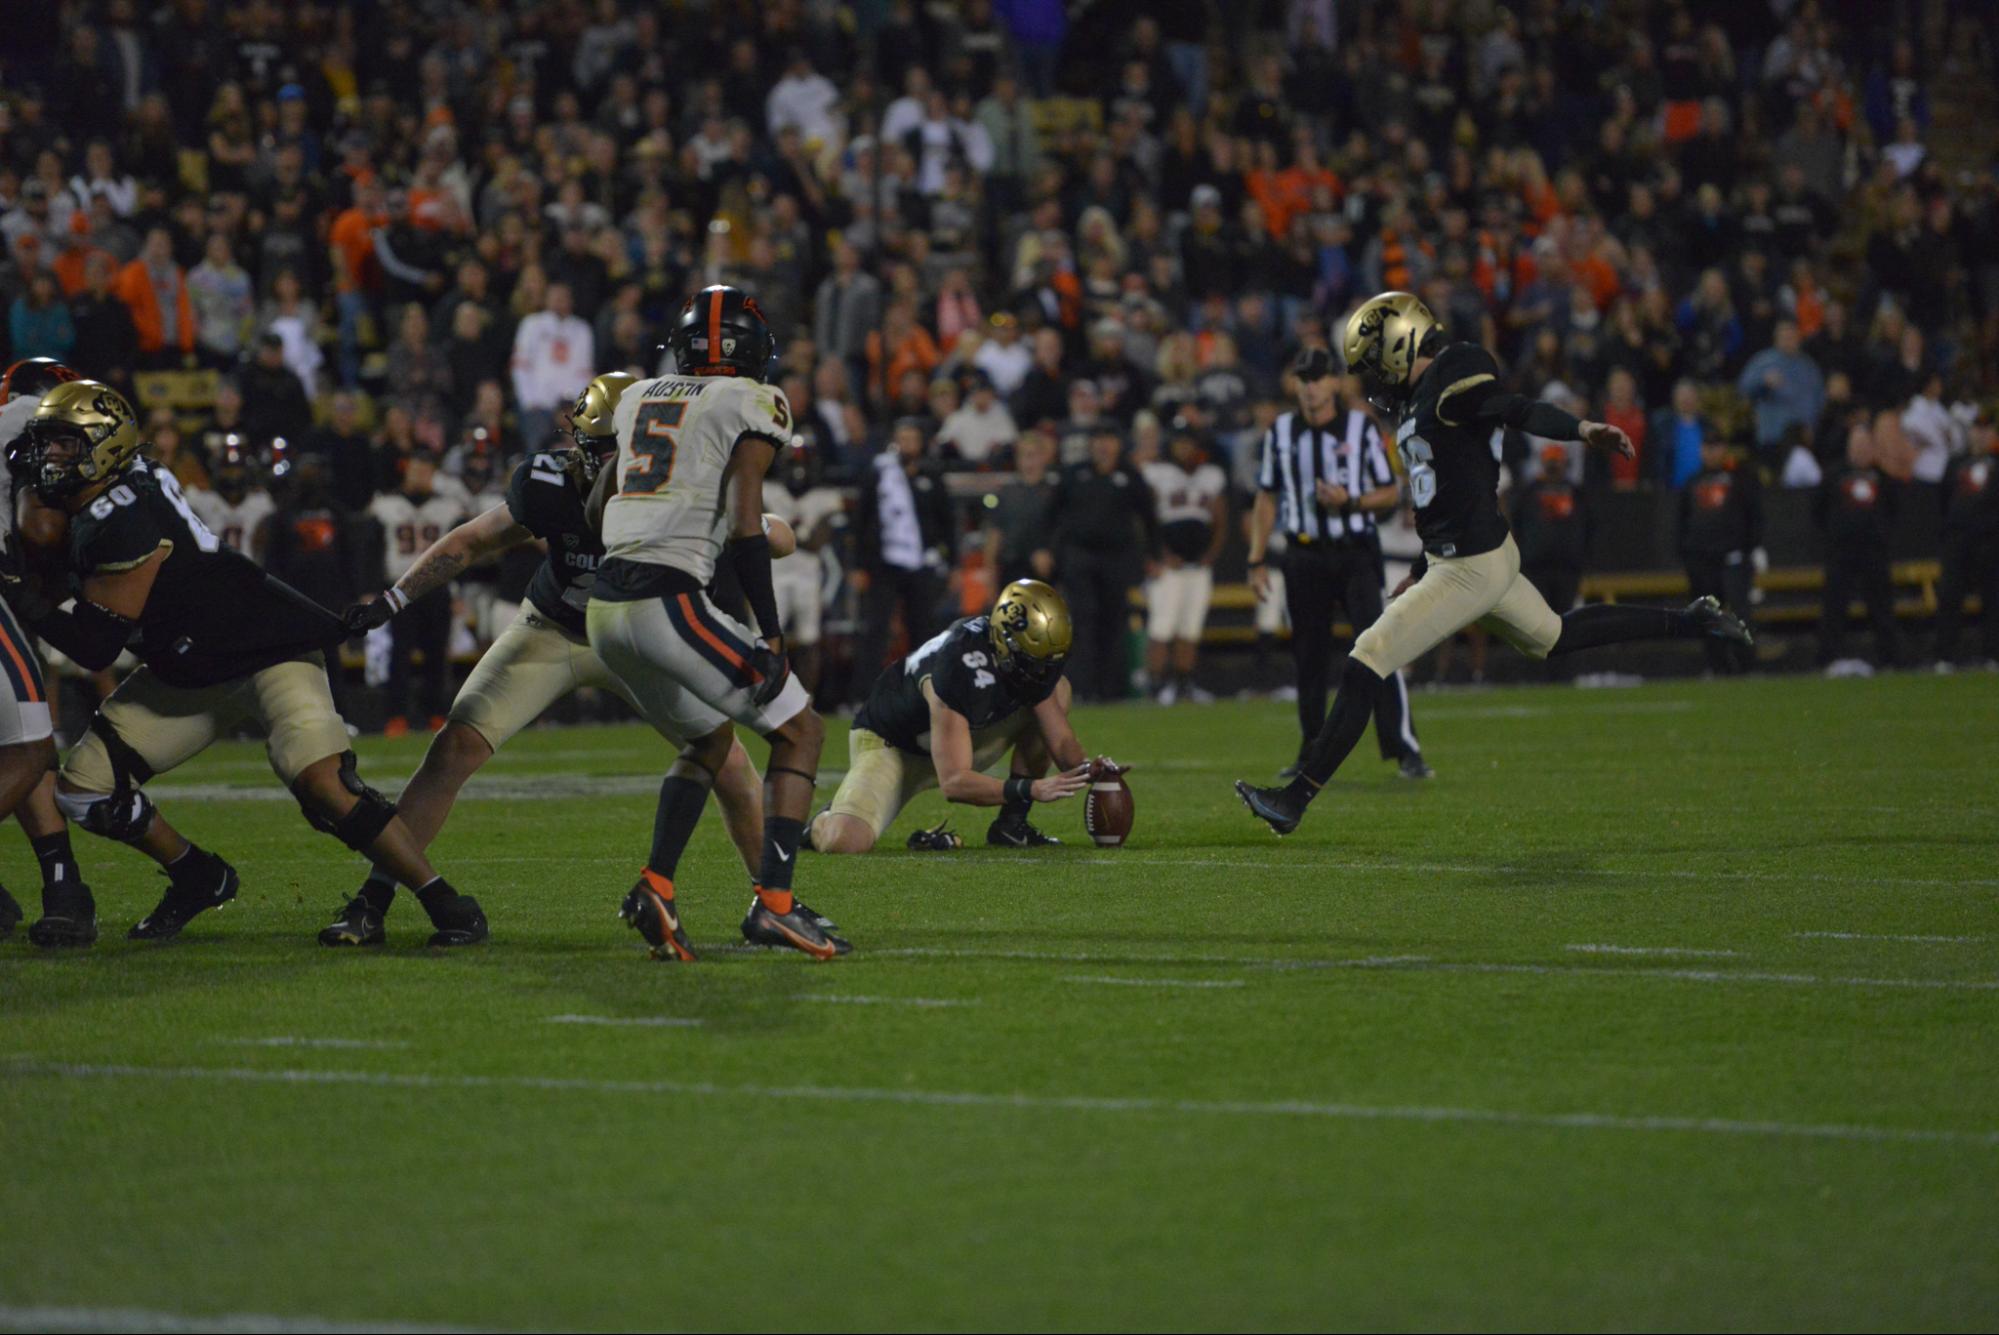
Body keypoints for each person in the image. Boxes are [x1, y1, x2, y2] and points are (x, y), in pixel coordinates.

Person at [1237, 292, 1751, 835]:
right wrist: (1419, 563)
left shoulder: (1452, 382)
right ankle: (1694, 620)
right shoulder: (1420, 399)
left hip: (1470, 568)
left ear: (1399, 346)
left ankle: (1295, 799)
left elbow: (1515, 408)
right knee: (1553, 635)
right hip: (1476, 556)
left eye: (1373, 363)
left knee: (1367, 658)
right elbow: (1448, 494)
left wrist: (1581, 430)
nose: (1371, 379)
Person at [12, 381, 485, 943]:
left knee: (322, 784)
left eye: (65, 445)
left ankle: (445, 902)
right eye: (48, 445)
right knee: (86, 788)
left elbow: (94, 647)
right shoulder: (118, 486)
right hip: (189, 666)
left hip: (263, 648)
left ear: (105, 446)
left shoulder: (123, 516)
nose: (50, 458)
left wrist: (23, 591)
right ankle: (196, 875)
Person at [329, 373, 784, 944]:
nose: (611, 467)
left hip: (639, 637)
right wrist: (394, 599)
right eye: (599, 450)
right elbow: (470, 541)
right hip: (554, 630)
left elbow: (778, 535)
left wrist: (749, 524)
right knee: (453, 749)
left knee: (732, 765)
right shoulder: (548, 482)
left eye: (622, 451)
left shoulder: (682, 489)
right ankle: (374, 898)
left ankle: (773, 902)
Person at [586, 285, 847, 961]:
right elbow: (742, 522)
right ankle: (776, 905)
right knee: (801, 730)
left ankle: (656, 883)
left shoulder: (640, 393)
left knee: (707, 739)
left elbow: (595, 508)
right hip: (663, 597)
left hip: (603, 608)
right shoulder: (751, 399)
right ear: (751, 350)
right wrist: (770, 633)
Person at [810, 578, 1092, 854]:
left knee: (1059, 690)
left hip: (956, 737)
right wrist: (1031, 788)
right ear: (1006, 644)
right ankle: (821, 822)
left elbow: (1063, 746)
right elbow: (955, 782)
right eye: (1035, 662)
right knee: (845, 842)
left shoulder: (1017, 660)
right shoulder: (958, 665)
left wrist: (1096, 774)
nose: (1044, 673)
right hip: (893, 746)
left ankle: (1012, 825)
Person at [1247, 349, 1427, 779]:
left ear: (1334, 384)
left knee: (1378, 647)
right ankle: (1311, 749)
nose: (1310, 387)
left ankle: (1405, 748)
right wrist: (1256, 558)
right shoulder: (1282, 432)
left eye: (1317, 378)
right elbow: (1266, 496)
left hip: (1354, 553)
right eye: (1303, 379)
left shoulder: (1361, 428)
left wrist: (1350, 503)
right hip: (1303, 554)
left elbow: (1388, 491)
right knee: (1308, 658)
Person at [0, 359, 95, 946]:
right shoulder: (28, 418)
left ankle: (63, 887)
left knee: (16, 740)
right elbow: (43, 528)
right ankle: (65, 888)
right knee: (33, 750)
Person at [1038, 425, 1158, 702]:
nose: (1103, 446)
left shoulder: (1129, 475)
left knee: (1114, 620)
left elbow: (1148, 517)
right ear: (1091, 445)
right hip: (1079, 556)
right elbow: (1050, 514)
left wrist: (1153, 554)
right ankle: (1082, 689)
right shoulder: (1074, 474)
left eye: (1108, 439)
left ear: (1118, 444)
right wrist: (1045, 549)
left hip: (1117, 558)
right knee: (1082, 620)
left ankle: (1111, 689)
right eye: (1099, 440)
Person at [850, 417, 953, 701]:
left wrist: (952, 560)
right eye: (902, 438)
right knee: (876, 629)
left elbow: (946, 521)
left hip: (921, 564)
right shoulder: (880, 473)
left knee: (923, 630)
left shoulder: (932, 475)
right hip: (883, 563)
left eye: (912, 438)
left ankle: (924, 694)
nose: (907, 444)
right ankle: (865, 696)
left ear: (921, 442)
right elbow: (861, 520)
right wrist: (858, 564)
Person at [367, 451, 467, 735]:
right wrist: (371, 590)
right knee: (399, 655)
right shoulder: (385, 505)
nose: (421, 474)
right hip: (399, 589)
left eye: (426, 469)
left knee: (437, 654)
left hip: (437, 588)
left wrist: (458, 590)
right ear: (406, 470)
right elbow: (373, 552)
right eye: (416, 469)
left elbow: (461, 553)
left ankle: (435, 713)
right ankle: (396, 715)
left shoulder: (448, 507)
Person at [1139, 417, 1227, 704]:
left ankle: (1183, 685)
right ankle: (1154, 686)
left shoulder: (1211, 474)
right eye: (1179, 442)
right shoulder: (1156, 473)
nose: (1184, 448)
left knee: (1190, 627)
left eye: (1188, 442)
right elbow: (1145, 518)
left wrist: (1211, 554)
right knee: (1162, 627)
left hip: (1197, 564)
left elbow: (1220, 519)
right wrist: (1160, 554)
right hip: (1169, 565)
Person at [762, 437, 842, 697]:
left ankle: (807, 698)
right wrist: (798, 534)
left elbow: (818, 541)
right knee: (766, 637)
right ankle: (765, 692)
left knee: (809, 638)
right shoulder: (767, 491)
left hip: (808, 574)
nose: (798, 468)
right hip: (774, 571)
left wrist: (789, 534)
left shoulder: (825, 496)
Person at [1815, 432, 1902, 672]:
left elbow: (1893, 509)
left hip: (1874, 552)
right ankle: (1828, 658)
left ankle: (1889, 659)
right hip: (1841, 552)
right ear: (1849, 448)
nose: (1861, 451)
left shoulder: (1882, 477)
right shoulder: (1833, 475)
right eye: (1857, 445)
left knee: (1881, 607)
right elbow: (1818, 509)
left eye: (1866, 446)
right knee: (1834, 606)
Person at [1677, 439, 1763, 675]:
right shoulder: (1692, 482)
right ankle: (1717, 666)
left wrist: (1745, 549)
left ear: (1724, 449)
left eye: (1715, 447)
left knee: (1739, 613)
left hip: (1733, 559)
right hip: (1702, 562)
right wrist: (1688, 555)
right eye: (1707, 447)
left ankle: (1746, 665)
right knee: (1709, 616)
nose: (1711, 452)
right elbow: (1682, 521)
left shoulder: (1740, 479)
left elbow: (1754, 516)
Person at [1933, 428, 1999, 669]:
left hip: (1990, 540)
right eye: (1976, 431)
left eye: (1985, 432)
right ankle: (1945, 656)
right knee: (1950, 596)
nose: (1980, 436)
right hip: (1958, 539)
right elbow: (1943, 498)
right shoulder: (1955, 463)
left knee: (1993, 598)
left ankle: (1993, 655)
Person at [187, 446, 276, 560]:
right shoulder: (202, 499)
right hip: (213, 570)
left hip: (251, 570)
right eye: (228, 469)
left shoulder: (260, 501)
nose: (233, 475)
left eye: (238, 469)